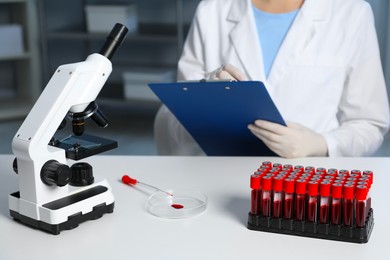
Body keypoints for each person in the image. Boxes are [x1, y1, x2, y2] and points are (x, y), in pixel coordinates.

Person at [154, 0, 390, 158]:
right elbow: (172, 121)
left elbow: (370, 124)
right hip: (220, 174)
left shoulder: (351, 12)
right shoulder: (213, 9)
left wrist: (322, 144)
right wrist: (203, 97)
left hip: (307, 180)